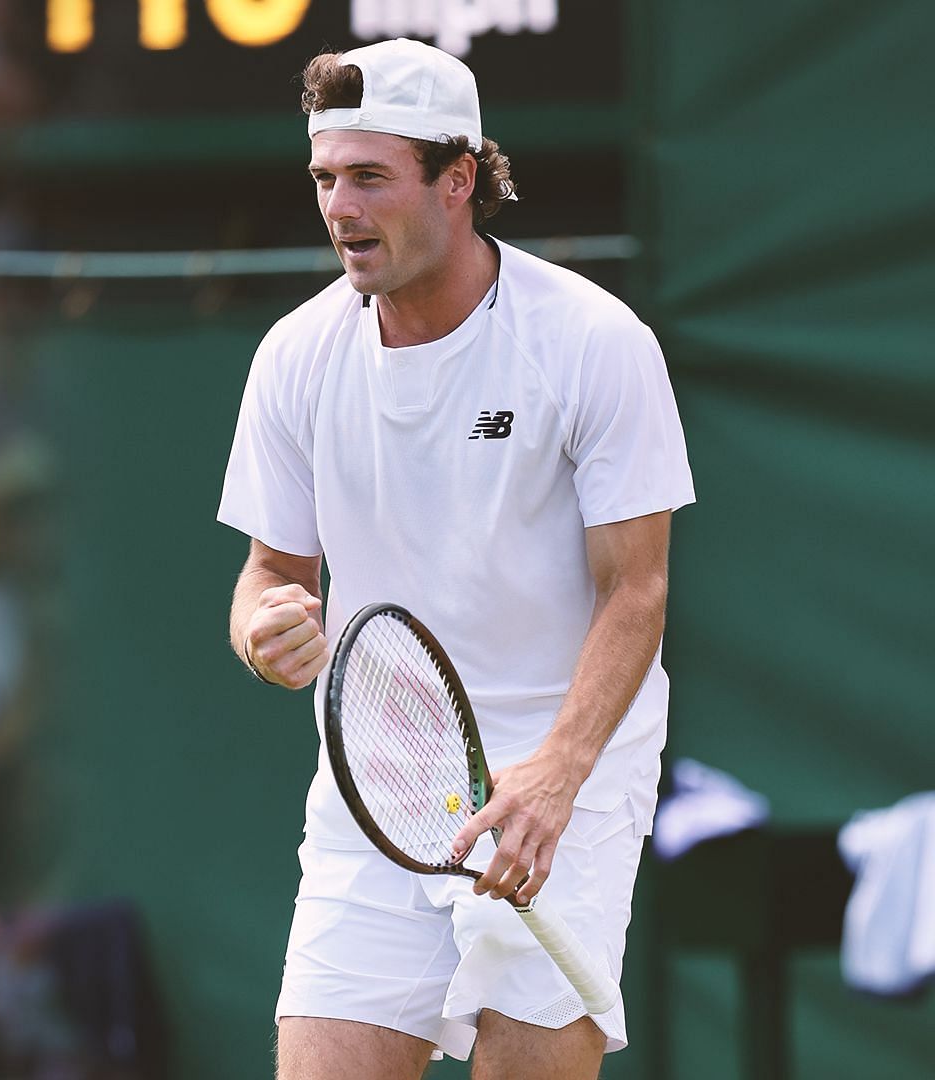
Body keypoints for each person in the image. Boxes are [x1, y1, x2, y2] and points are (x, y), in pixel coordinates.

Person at [217, 40, 694, 1080]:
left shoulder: (594, 342)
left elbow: (638, 589)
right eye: (325, 178)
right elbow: (271, 574)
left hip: (563, 771)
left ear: (460, 178)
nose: (340, 206)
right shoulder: (294, 358)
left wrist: (558, 776)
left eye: (371, 178)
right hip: (377, 786)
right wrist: (264, 630)